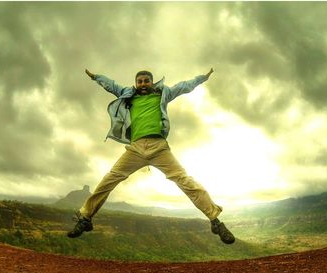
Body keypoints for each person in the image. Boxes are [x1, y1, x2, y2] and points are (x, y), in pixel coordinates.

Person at [67, 68, 235, 244]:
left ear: (152, 82)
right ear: (136, 83)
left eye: (146, 81)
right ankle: (85, 218)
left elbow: (184, 86)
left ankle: (215, 221)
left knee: (186, 181)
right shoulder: (128, 95)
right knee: (109, 180)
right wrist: (96, 77)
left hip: (159, 148)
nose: (143, 84)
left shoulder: (163, 93)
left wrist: (202, 78)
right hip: (135, 149)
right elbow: (112, 86)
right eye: (139, 81)